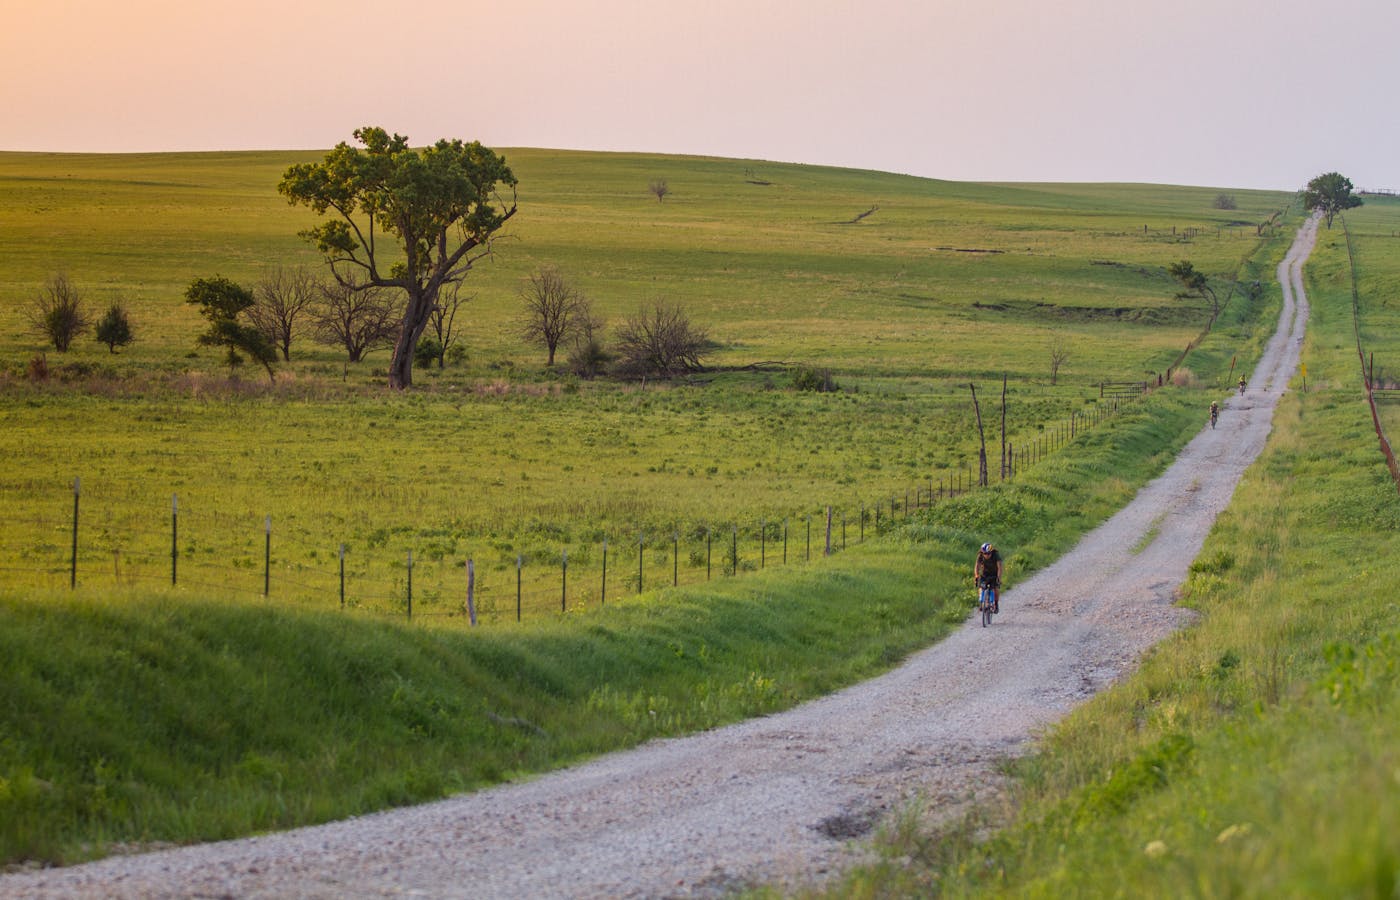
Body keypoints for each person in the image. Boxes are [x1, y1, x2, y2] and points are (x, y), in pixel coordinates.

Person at [974, 542, 1004, 615]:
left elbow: (1000, 567)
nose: (987, 555)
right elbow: (977, 566)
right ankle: (981, 602)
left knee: (995, 589)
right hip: (985, 573)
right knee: (981, 587)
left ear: (991, 552)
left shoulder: (996, 555)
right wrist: (976, 575)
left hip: (994, 573)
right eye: (985, 554)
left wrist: (999, 578)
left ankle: (996, 604)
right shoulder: (980, 555)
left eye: (988, 553)